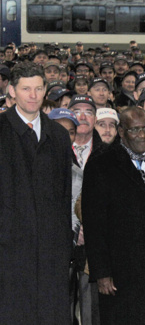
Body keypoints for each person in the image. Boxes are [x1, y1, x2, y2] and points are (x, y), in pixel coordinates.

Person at [82, 107, 145, 325]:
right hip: (121, 271)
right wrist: (102, 272)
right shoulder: (101, 164)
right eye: (134, 130)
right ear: (121, 131)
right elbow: (93, 223)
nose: (142, 135)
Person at [0, 61, 74, 324]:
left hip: (51, 253)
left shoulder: (58, 135)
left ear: (45, 91)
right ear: (12, 91)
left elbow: (65, 195)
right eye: (25, 89)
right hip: (9, 254)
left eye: (38, 88)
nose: (33, 95)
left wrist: (64, 244)